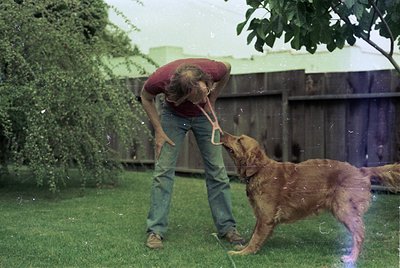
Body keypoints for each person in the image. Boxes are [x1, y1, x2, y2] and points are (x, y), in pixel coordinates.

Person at [141, 58, 245, 249]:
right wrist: (159, 130)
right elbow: (145, 97)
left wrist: (211, 99)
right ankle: (155, 231)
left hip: (203, 118)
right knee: (163, 172)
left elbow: (228, 68)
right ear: (182, 94)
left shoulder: (214, 69)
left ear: (206, 81)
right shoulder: (160, 79)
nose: (202, 97)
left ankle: (228, 228)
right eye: (196, 97)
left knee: (217, 171)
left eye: (204, 91)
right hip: (173, 117)